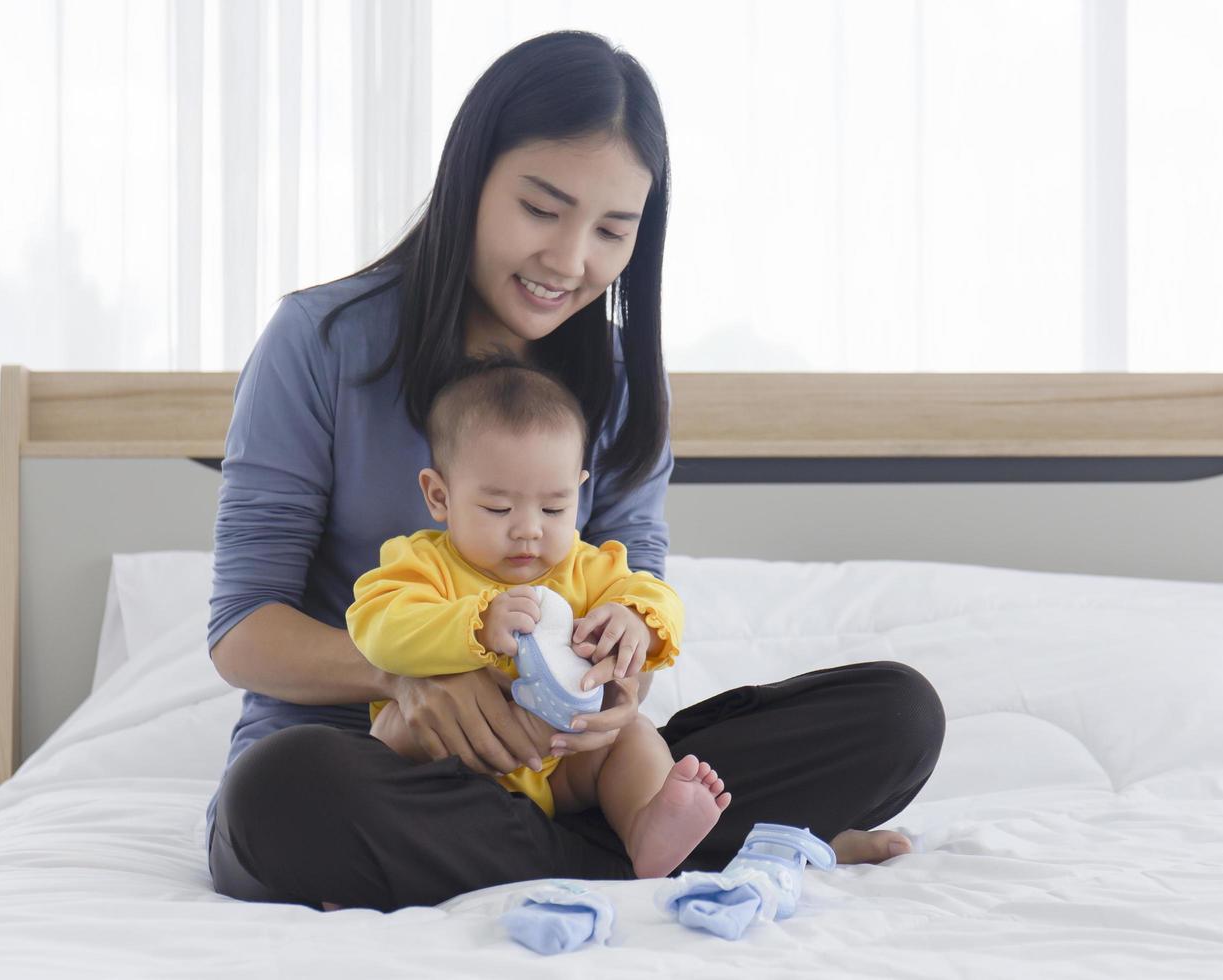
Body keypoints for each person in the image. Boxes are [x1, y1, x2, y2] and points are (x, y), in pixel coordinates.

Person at [207, 29, 946, 912]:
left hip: (565, 767)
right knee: (280, 797)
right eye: (542, 208)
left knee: (897, 716)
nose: (570, 260)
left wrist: (620, 677)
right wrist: (405, 675)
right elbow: (242, 632)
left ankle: (631, 839)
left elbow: (635, 590)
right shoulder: (321, 344)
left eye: (611, 229)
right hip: (373, 764)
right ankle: (689, 855)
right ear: (471, 177)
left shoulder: (625, 387)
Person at [347, 359, 731, 880]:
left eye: (554, 509)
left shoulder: (587, 565)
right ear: (440, 496)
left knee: (636, 736)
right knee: (393, 731)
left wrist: (635, 620)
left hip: (561, 762)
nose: (528, 531)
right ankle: (368, 857)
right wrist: (474, 626)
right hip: (448, 763)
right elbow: (377, 626)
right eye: (498, 509)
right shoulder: (421, 563)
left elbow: (655, 593)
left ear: (579, 490)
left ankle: (648, 829)